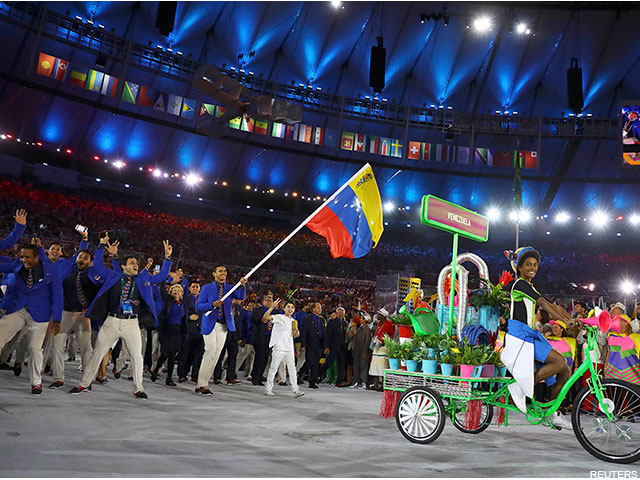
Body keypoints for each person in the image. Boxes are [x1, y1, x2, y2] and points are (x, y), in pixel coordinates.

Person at [69, 236, 173, 398]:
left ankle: (138, 388)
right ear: (123, 266)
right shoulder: (113, 276)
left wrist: (167, 258)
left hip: (132, 323)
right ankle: (84, 383)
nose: (136, 265)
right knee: (98, 353)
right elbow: (97, 265)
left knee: (136, 356)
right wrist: (102, 246)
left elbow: (162, 276)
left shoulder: (143, 279)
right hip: (112, 321)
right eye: (132, 263)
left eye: (136, 264)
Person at [503, 246, 573, 429]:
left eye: (535, 265)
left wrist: (569, 318)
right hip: (520, 337)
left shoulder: (530, 286)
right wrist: (566, 319)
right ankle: (520, 386)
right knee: (559, 362)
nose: (532, 268)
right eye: (528, 265)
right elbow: (543, 303)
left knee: (565, 370)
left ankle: (551, 412)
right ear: (519, 268)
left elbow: (550, 305)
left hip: (528, 336)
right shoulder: (520, 284)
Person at [0, 244, 63, 394]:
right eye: (21, 256)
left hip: (39, 314)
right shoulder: (17, 265)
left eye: (27, 257)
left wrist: (57, 319)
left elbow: (57, 295)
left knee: (35, 348)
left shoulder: (51, 270)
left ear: (36, 257)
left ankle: (36, 382)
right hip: (18, 309)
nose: (23, 260)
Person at [49, 244, 102, 389]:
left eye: (86, 258)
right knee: (57, 344)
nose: (82, 259)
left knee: (86, 348)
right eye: (80, 256)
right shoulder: (67, 270)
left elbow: (100, 291)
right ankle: (58, 378)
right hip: (65, 313)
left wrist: (91, 310)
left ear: (90, 262)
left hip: (83, 315)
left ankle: (87, 380)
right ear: (76, 258)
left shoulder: (92, 274)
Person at [194, 265, 247, 395]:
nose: (223, 273)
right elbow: (199, 305)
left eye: (225, 271)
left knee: (216, 355)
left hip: (224, 326)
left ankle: (204, 383)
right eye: (220, 271)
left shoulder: (229, 288)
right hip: (210, 324)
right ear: (214, 273)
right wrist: (211, 304)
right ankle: (201, 383)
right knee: (210, 351)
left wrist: (242, 285)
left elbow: (240, 296)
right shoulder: (207, 288)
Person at [263, 299, 304, 398]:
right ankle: (268, 389)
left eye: (292, 307)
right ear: (284, 308)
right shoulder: (279, 317)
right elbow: (265, 317)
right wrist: (272, 307)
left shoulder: (294, 321)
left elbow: (295, 334)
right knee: (273, 368)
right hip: (279, 347)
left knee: (292, 369)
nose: (290, 309)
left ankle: (295, 390)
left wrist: (296, 333)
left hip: (289, 347)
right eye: (288, 307)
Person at [152, 284, 186, 386]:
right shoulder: (168, 301)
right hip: (166, 331)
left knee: (172, 356)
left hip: (178, 332)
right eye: (174, 291)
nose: (176, 292)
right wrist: (164, 278)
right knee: (165, 353)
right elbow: (162, 291)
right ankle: (156, 369)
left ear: (182, 293)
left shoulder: (183, 304)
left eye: (178, 291)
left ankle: (169, 378)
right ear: (170, 293)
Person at [177, 281, 204, 383]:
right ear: (189, 288)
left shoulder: (203, 300)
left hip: (200, 330)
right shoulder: (185, 299)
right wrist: (188, 317)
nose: (195, 288)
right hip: (187, 329)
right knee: (184, 353)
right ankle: (182, 374)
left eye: (197, 287)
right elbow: (180, 313)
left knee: (198, 354)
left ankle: (195, 375)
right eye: (193, 287)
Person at [250, 294, 276, 386]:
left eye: (271, 300)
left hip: (269, 338)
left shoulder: (275, 312)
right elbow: (258, 319)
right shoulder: (257, 310)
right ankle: (255, 377)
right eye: (267, 300)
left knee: (265, 358)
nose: (269, 302)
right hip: (259, 338)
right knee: (260, 357)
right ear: (263, 301)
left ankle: (259, 376)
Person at [299, 302, 325, 389]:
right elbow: (304, 332)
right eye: (318, 307)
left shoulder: (321, 320)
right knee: (309, 361)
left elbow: (323, 332)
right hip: (310, 343)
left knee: (315, 363)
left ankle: (312, 381)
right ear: (313, 309)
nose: (320, 309)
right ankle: (300, 374)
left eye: (320, 308)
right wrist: (303, 344)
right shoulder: (308, 319)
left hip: (318, 344)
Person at [321, 307, 348, 387]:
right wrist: (326, 346)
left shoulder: (345, 323)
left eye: (342, 313)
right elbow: (327, 335)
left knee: (341, 365)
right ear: (336, 313)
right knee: (328, 362)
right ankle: (318, 376)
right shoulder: (332, 322)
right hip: (333, 347)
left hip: (342, 347)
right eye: (339, 313)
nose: (341, 315)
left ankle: (338, 381)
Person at [368, 308, 395, 391]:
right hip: (376, 348)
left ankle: (383, 385)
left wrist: (384, 342)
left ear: (383, 316)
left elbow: (391, 336)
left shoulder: (389, 324)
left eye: (379, 314)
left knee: (382, 366)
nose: (377, 316)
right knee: (375, 366)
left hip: (383, 348)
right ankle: (375, 384)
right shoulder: (379, 324)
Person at [350, 312, 372, 389]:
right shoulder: (360, 328)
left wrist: (365, 352)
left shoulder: (367, 329)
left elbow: (367, 341)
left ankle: (364, 382)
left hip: (363, 350)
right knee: (357, 365)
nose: (360, 319)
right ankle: (357, 381)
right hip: (357, 349)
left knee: (364, 367)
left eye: (361, 318)